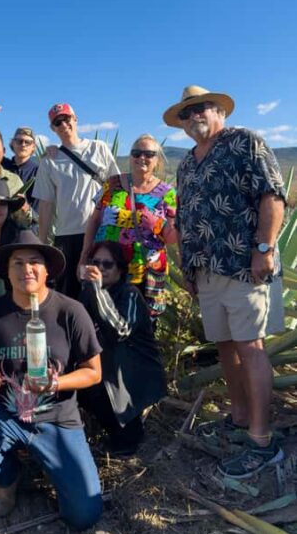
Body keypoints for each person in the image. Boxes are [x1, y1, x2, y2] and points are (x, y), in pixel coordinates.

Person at [163, 84, 286, 478]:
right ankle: (238, 417)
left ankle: (262, 441)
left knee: (251, 347)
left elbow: (273, 195)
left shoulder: (245, 143)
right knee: (226, 347)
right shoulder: (186, 164)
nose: (193, 116)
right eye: (186, 112)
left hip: (244, 265)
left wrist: (264, 249)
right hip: (206, 271)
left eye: (201, 108)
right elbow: (183, 218)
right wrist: (187, 267)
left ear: (220, 111)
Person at [0, 230, 103, 530]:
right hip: (7, 414)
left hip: (58, 419)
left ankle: (54, 467)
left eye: (34, 262)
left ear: (47, 270)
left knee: (84, 516)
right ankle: (7, 478)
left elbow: (93, 372)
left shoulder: (70, 312)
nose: (26, 269)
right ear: (6, 272)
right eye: (17, 263)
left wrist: (56, 384)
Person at [80, 241, 167, 455]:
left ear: (120, 269)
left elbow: (120, 331)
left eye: (107, 264)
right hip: (109, 367)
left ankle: (126, 438)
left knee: (104, 384)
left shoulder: (130, 294)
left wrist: (98, 292)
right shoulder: (88, 293)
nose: (100, 269)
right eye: (95, 262)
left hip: (133, 371)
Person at [79, 134, 177, 320]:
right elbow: (95, 220)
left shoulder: (168, 193)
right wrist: (84, 256)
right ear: (130, 157)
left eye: (149, 154)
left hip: (145, 271)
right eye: (136, 152)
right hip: (106, 267)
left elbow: (172, 238)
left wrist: (158, 223)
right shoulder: (112, 184)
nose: (142, 157)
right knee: (100, 319)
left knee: (142, 325)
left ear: (157, 160)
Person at [33, 103, 119, 299]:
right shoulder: (49, 160)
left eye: (66, 118)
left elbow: (116, 187)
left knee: (105, 292)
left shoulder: (99, 149)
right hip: (67, 236)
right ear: (52, 128)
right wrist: (42, 244)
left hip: (101, 232)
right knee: (69, 293)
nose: (63, 124)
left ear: (75, 119)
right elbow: (46, 205)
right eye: (57, 122)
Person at [0, 108, 40, 214]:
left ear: (33, 147)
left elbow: (40, 210)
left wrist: (26, 209)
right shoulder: (2, 164)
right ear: (12, 144)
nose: (23, 144)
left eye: (27, 142)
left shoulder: (38, 172)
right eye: (19, 141)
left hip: (26, 226)